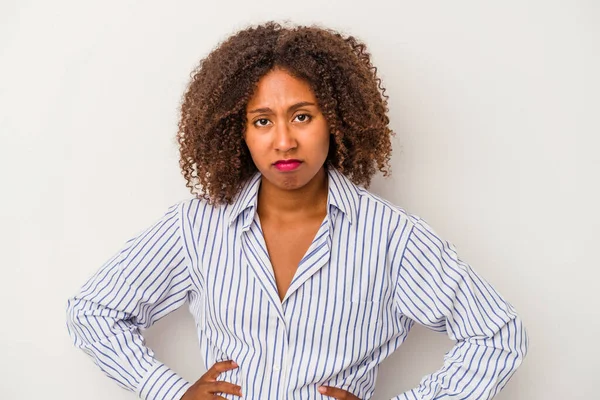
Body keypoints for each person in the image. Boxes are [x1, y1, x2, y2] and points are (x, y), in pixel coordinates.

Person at [65, 21, 528, 400]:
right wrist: (167, 391)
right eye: (262, 120)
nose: (284, 140)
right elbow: (93, 311)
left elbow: (497, 336)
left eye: (303, 116)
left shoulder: (391, 237)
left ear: (338, 119)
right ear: (238, 132)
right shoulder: (197, 225)